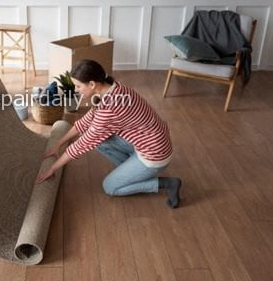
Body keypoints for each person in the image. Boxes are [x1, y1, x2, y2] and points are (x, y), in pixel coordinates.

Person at [36, 60, 182, 208]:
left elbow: (83, 143)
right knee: (101, 140)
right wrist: (58, 144)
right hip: (149, 141)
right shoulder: (114, 88)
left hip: (154, 155)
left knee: (110, 187)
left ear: (92, 84)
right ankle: (132, 171)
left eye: (78, 86)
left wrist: (53, 168)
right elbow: (86, 121)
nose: (76, 90)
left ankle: (165, 183)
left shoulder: (110, 108)